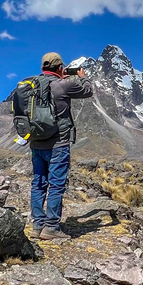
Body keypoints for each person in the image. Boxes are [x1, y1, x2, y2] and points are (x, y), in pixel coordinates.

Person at [29, 52, 93, 241]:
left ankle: (37, 226)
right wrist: (82, 77)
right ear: (59, 68)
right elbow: (88, 90)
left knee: (38, 183)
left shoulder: (32, 86)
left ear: (42, 68)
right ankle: (52, 228)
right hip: (58, 143)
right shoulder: (63, 85)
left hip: (36, 143)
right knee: (56, 185)